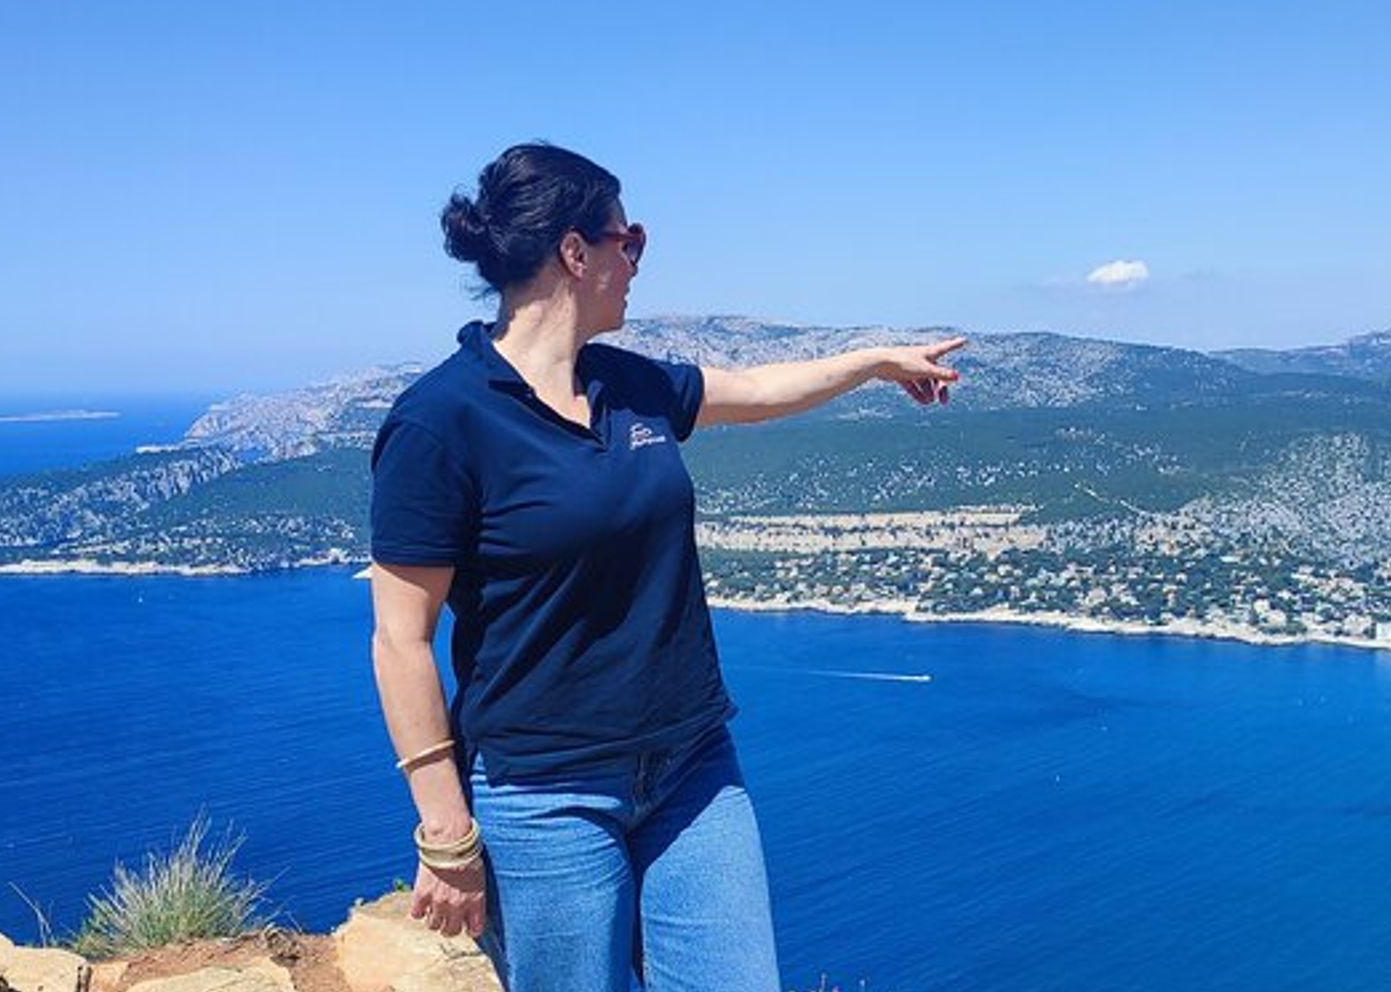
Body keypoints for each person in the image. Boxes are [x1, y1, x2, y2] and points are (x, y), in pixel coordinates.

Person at [368, 142, 965, 992]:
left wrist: (873, 362)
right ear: (577, 253)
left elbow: (758, 392)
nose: (638, 263)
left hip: (691, 762)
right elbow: (400, 639)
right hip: (546, 793)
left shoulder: (625, 384)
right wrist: (446, 832)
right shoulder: (440, 422)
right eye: (630, 241)